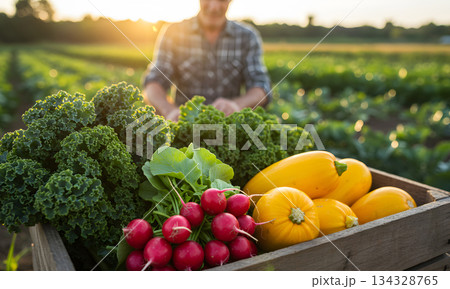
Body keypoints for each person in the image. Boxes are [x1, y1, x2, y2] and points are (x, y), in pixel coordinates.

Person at [142, 0, 272, 121]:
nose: (214, 7)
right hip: (183, 130)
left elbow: (261, 87)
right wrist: (169, 111)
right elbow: (154, 82)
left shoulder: (247, 37)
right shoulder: (174, 33)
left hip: (228, 130)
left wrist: (237, 105)